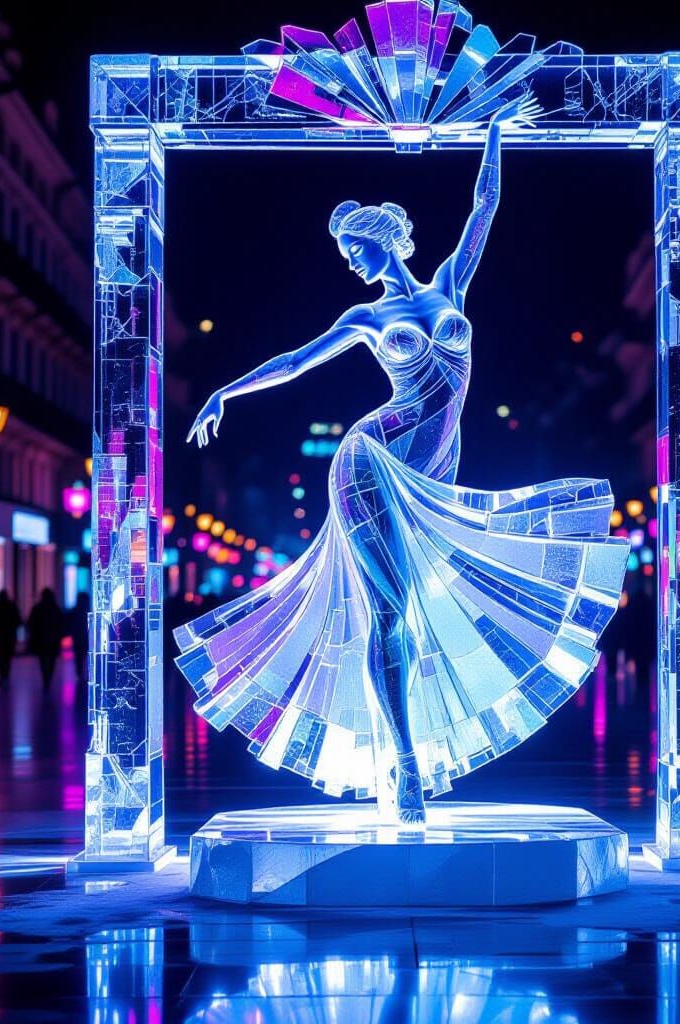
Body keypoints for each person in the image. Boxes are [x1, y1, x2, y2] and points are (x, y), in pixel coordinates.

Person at [175, 91, 628, 827]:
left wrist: (495, 132)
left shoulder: (450, 284)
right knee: (390, 613)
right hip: (368, 461)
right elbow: (296, 361)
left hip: (432, 473)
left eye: (354, 250)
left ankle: (406, 753)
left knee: (416, 612)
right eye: (345, 256)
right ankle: (406, 764)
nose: (350, 263)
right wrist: (226, 390)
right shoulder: (366, 317)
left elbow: (485, 206)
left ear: (383, 240)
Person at [27, 588, 64, 692]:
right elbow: (61, 624)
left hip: (41, 640)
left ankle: (45, 679)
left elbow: (31, 623)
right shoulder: (55, 608)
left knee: (43, 661)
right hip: (53, 640)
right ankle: (48, 678)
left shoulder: (38, 608)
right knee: (51, 661)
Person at [0, 590, 22, 688]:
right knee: (7, 657)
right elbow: (18, 620)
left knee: (0, 656)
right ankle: (5, 674)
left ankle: (3, 674)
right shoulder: (11, 606)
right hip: (9, 636)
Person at [66, 593, 91, 686]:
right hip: (85, 637)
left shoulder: (74, 611)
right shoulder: (88, 611)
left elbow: (68, 623)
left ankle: (79, 674)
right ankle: (83, 674)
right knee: (84, 656)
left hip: (77, 637)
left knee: (78, 657)